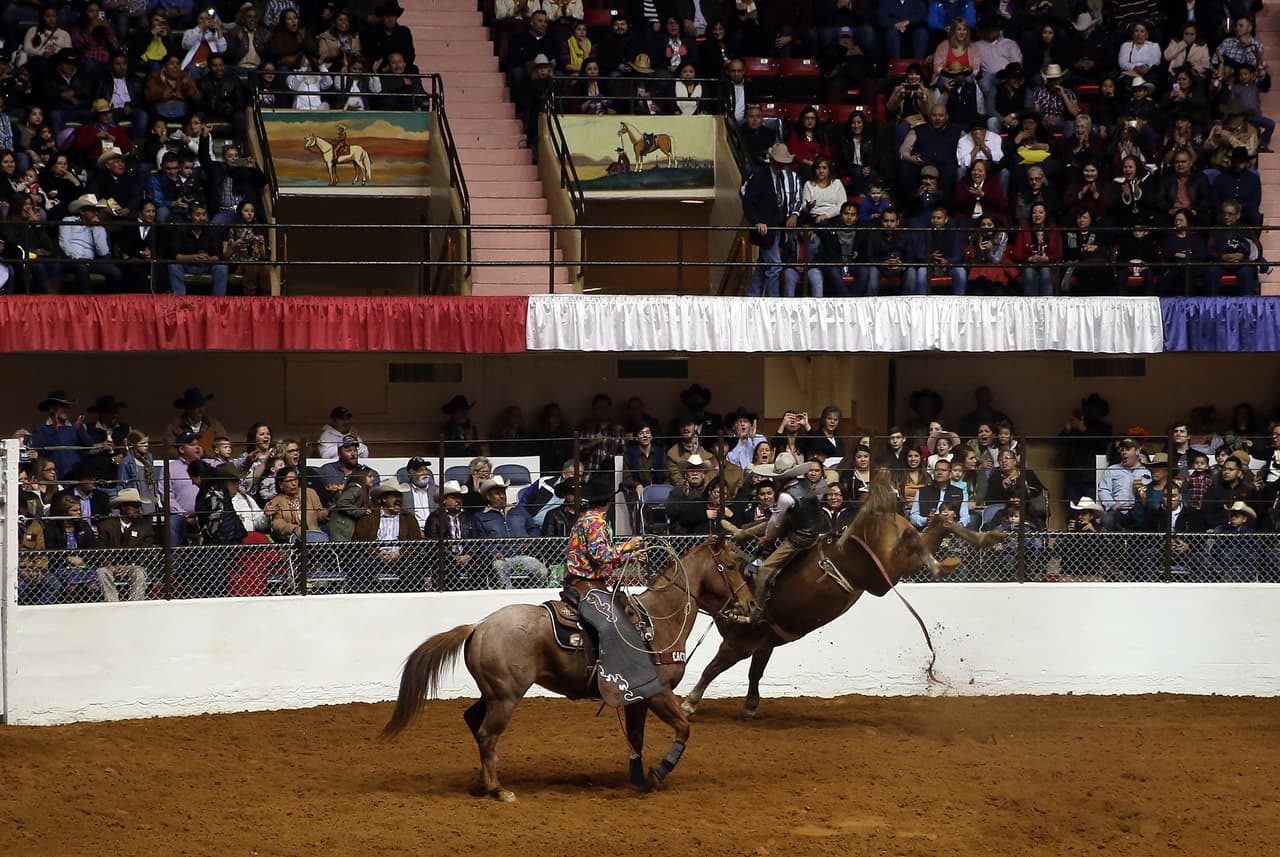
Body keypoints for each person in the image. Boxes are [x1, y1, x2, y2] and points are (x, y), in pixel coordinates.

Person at [561, 473, 660, 704]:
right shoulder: (596, 521)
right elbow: (601, 556)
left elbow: (601, 554)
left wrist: (630, 555)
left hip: (588, 582)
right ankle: (609, 672)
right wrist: (629, 546)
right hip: (588, 584)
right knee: (614, 622)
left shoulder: (588, 519)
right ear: (609, 501)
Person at [742, 142, 803, 298]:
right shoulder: (760, 176)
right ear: (773, 160)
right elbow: (748, 202)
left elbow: (780, 204)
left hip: (775, 228)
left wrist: (783, 230)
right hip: (766, 228)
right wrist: (757, 221)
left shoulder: (780, 177)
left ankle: (753, 297)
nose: (782, 166)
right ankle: (773, 301)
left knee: (764, 265)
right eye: (779, 162)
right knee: (774, 267)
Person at [473, 475, 548, 588]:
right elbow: (481, 541)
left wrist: (530, 540)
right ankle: (508, 594)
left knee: (541, 570)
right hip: (501, 559)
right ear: (488, 496)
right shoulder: (481, 516)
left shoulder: (519, 511)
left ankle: (532, 593)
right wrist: (494, 553)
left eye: (503, 492)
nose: (502, 496)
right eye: (497, 493)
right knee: (498, 567)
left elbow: (533, 529)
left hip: (524, 556)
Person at [352, 480, 424, 592]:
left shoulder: (408, 517)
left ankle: (408, 598)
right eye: (394, 496)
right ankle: (367, 598)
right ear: (384, 499)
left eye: (400, 496)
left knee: (414, 566)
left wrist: (400, 553)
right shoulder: (369, 517)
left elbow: (416, 542)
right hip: (375, 557)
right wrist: (377, 554)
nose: (399, 499)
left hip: (401, 557)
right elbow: (358, 540)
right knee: (361, 565)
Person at [423, 480, 479, 590]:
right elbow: (434, 544)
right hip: (446, 558)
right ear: (444, 500)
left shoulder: (468, 517)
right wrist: (453, 558)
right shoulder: (435, 518)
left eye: (460, 497)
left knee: (482, 561)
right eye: (454, 497)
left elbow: (475, 539)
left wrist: (468, 555)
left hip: (467, 557)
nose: (458, 500)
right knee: (444, 563)